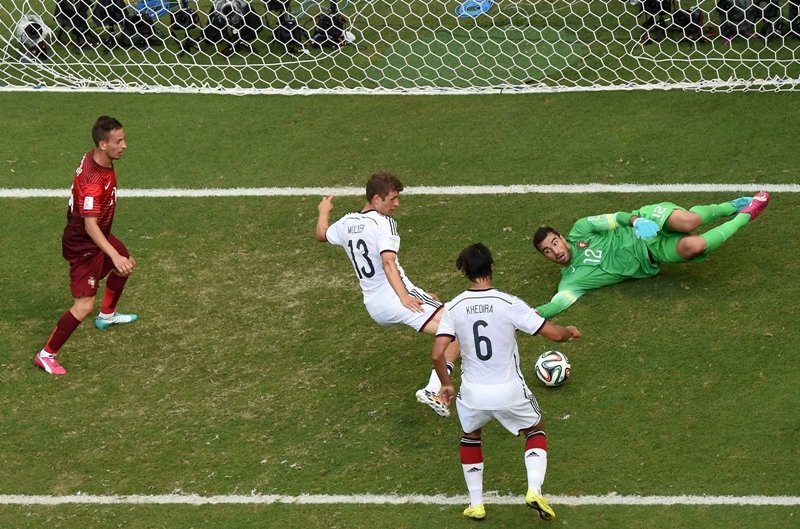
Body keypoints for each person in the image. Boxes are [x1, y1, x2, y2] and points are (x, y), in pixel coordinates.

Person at [432, 243, 580, 521]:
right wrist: (570, 332)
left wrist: (447, 383)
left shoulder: (453, 307)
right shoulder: (507, 303)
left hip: (473, 393)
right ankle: (534, 489)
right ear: (491, 267)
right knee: (535, 429)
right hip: (509, 390)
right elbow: (554, 335)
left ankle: (476, 504)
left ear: (465, 271)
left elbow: (438, 353)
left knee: (470, 436)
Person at [315, 171, 460, 417]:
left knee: (448, 319)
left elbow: (321, 234)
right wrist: (404, 297)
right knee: (457, 328)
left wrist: (324, 210)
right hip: (395, 299)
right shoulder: (383, 223)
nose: (397, 204)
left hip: (374, 305)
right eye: (392, 198)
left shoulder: (347, 223)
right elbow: (388, 263)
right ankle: (435, 389)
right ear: (376, 198)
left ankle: (439, 386)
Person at [531, 193, 771, 319]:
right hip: (653, 254)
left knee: (690, 220)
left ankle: (730, 206)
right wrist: (524, 315)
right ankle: (746, 215)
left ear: (562, 237)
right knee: (697, 245)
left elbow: (617, 217)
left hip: (645, 223)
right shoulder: (572, 281)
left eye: (555, 242)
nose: (556, 251)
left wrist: (637, 220)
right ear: (545, 257)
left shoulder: (581, 228)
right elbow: (557, 304)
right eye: (548, 251)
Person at [34, 116, 138, 376]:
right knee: (83, 305)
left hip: (97, 235)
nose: (124, 145)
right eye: (118, 141)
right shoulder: (93, 184)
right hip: (84, 244)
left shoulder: (94, 156)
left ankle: (107, 315)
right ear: (103, 145)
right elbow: (90, 225)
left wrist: (117, 256)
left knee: (126, 265)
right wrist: (111, 255)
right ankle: (46, 355)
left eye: (123, 139)